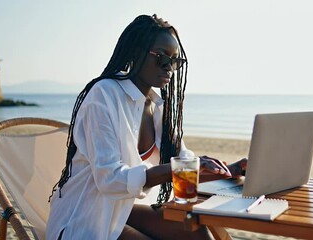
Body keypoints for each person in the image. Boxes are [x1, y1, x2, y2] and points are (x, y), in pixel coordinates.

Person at [46, 14, 247, 240]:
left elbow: (185, 167)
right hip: (85, 219)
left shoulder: (156, 106)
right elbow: (110, 180)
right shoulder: (103, 95)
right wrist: (179, 168)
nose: (168, 66)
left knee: (194, 232)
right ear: (135, 52)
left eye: (174, 60)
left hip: (123, 210)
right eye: (161, 57)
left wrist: (230, 169)